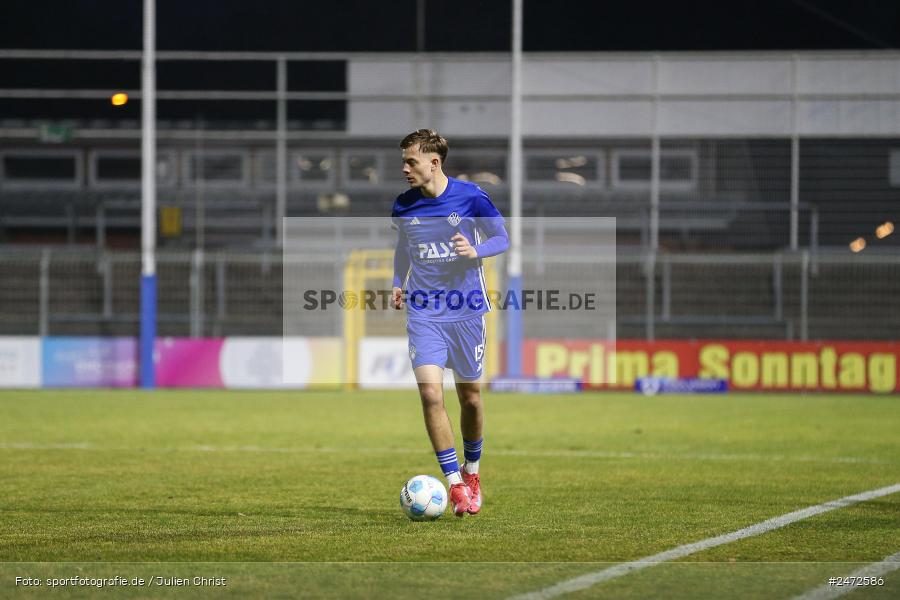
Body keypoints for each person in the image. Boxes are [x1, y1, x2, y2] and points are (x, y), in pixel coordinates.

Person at [391, 129, 509, 516]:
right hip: (424, 312)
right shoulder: (403, 205)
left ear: (434, 162)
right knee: (430, 394)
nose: (405, 168)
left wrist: (475, 250)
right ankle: (455, 484)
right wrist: (397, 282)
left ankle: (472, 472)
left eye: (411, 161)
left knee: (470, 398)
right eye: (404, 161)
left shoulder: (471, 196)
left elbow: (501, 238)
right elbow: (404, 248)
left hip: (466, 311)